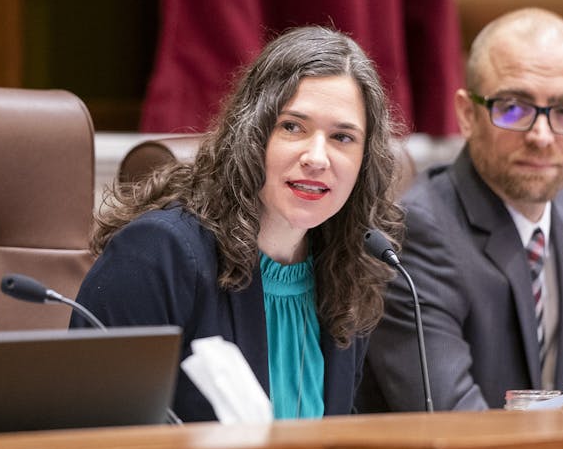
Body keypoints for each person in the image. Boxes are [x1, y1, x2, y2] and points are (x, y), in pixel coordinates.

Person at [73, 26, 403, 422]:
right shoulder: (160, 254)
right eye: (292, 127)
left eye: (342, 137)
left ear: (365, 161)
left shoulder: (347, 272)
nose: (318, 157)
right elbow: (99, 436)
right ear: (253, 134)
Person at [358, 8, 563, 412]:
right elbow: (455, 419)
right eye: (514, 108)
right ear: (468, 115)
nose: (542, 136)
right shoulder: (418, 233)